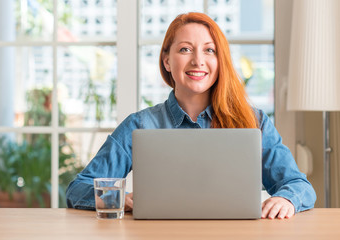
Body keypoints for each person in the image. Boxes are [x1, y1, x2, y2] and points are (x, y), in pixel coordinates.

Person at [66, 12, 316, 219]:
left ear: (220, 61)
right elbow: (79, 188)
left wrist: (286, 199)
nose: (198, 61)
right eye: (185, 49)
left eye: (210, 51)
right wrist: (122, 199)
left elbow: (299, 185)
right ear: (166, 60)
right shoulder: (139, 125)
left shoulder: (255, 122)